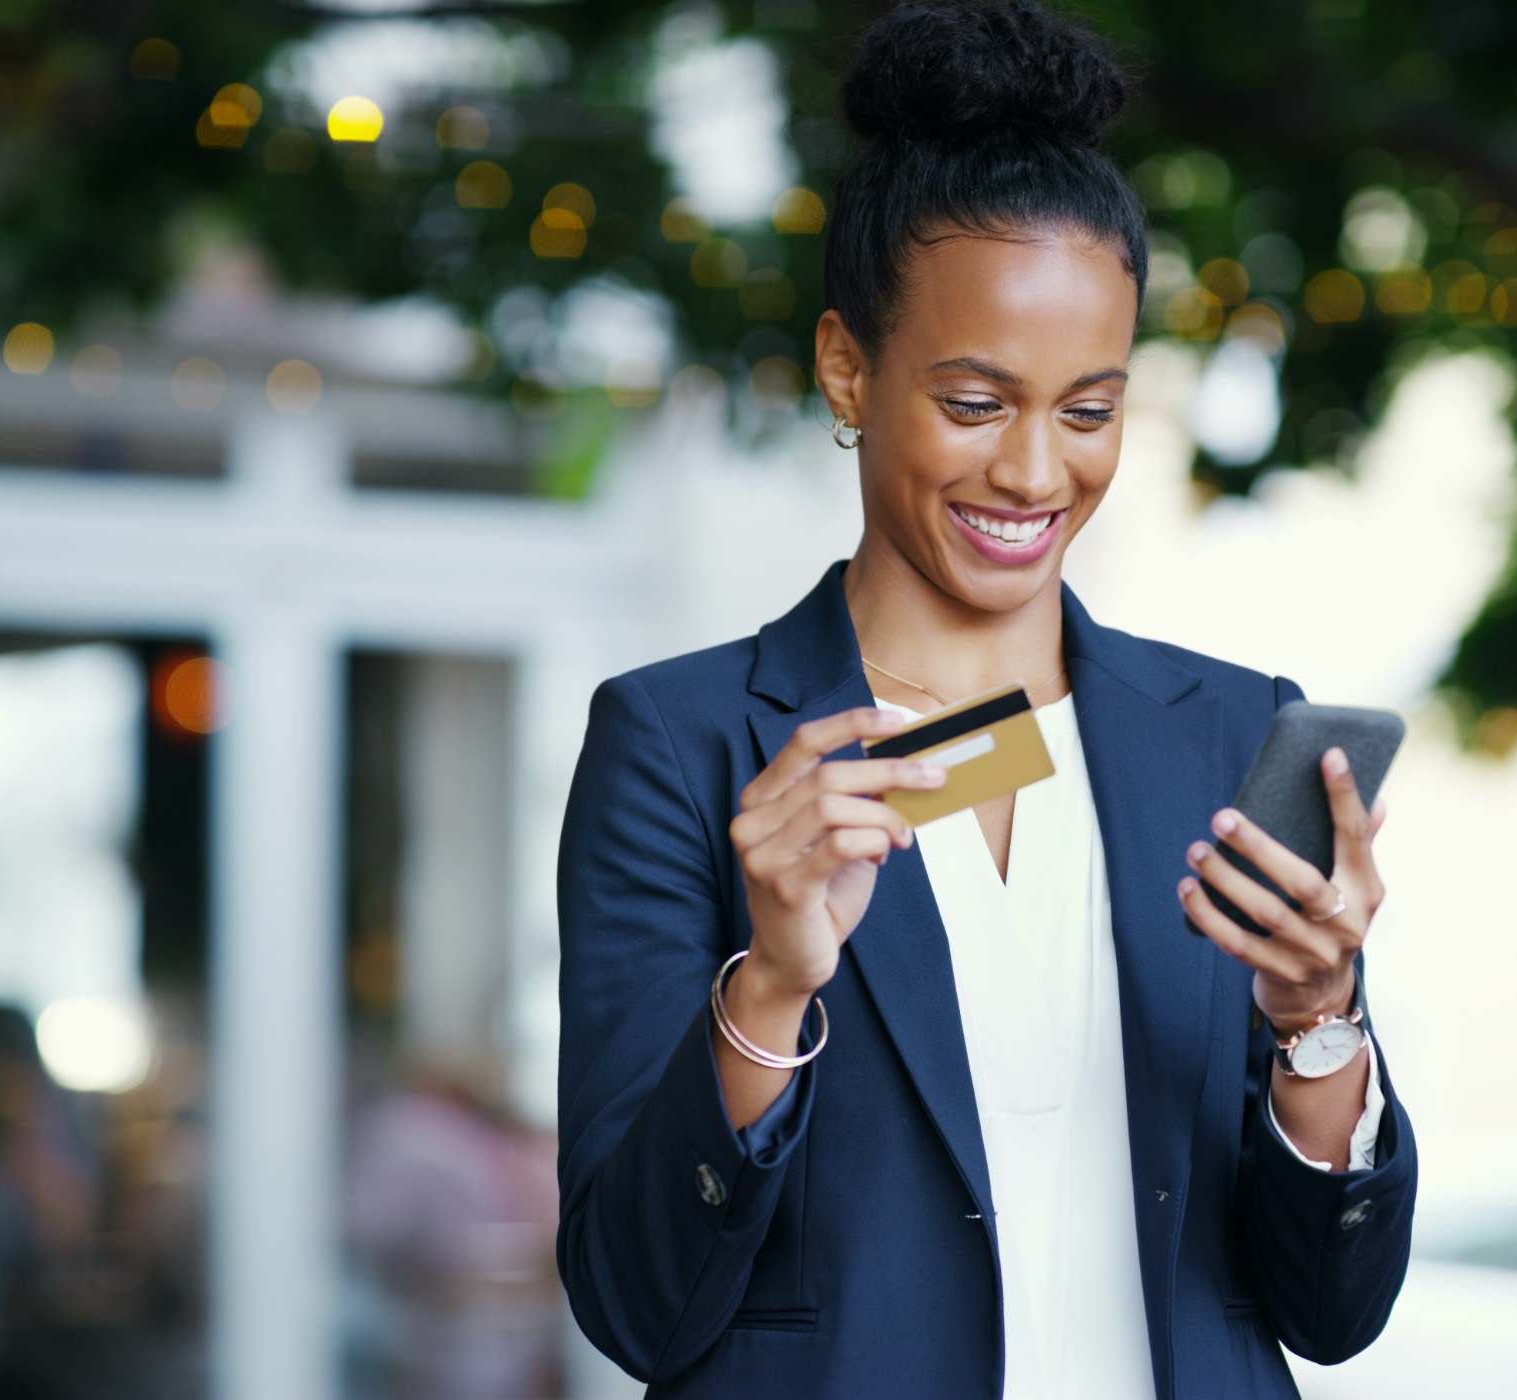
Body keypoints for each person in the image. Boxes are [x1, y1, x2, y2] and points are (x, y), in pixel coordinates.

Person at [556, 4, 1416, 1395]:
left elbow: (1332, 1309)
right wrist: (769, 986)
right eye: (974, 402)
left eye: (1089, 411)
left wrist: (1319, 1016)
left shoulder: (1218, 735)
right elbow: (636, 1303)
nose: (1033, 474)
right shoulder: (686, 745)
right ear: (849, 366)